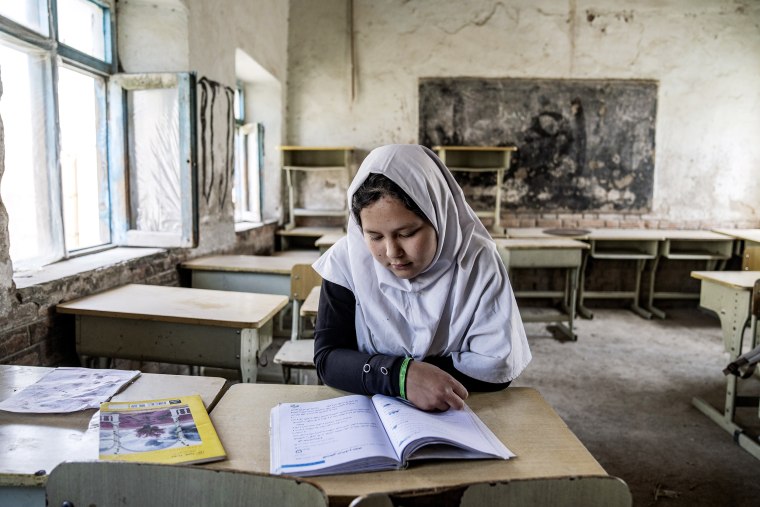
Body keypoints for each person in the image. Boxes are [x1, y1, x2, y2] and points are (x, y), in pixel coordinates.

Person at [312, 144, 531, 411]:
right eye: (375, 236)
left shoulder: (477, 261)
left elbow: (496, 366)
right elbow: (327, 359)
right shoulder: (346, 261)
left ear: (439, 216)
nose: (393, 252)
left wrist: (392, 373)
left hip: (465, 409)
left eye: (407, 233)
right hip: (369, 412)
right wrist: (401, 376)